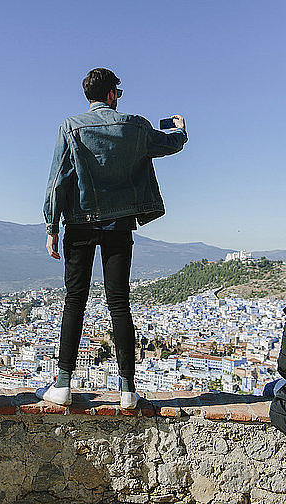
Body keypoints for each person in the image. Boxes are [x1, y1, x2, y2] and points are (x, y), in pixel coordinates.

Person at [36, 68, 188, 409]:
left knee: (74, 302)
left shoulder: (71, 127)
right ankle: (127, 391)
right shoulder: (134, 125)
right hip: (119, 226)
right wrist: (180, 128)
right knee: (119, 303)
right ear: (111, 94)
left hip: (78, 223)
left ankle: (62, 385)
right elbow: (169, 145)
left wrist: (52, 228)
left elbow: (57, 179)